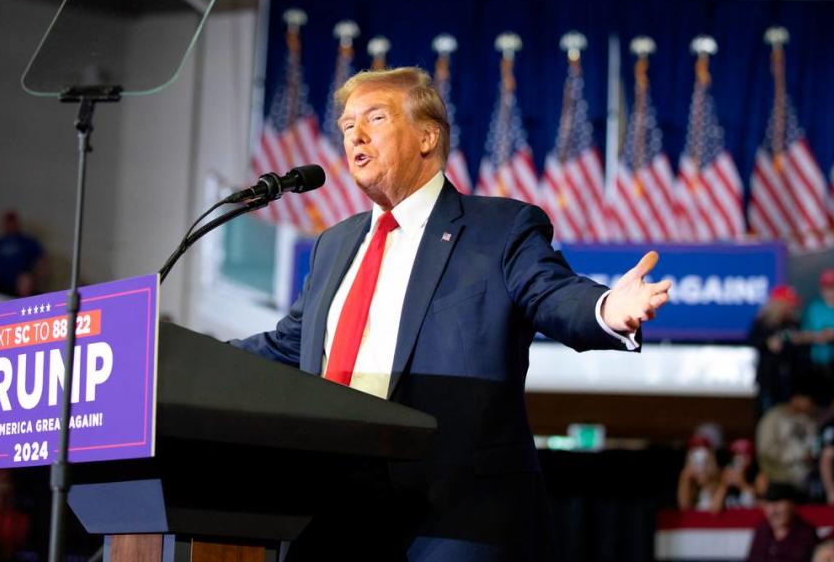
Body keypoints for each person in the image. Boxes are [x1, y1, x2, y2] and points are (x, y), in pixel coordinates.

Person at [231, 67, 671, 561]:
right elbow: (289, 345)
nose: (355, 133)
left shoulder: (499, 227)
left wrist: (607, 307)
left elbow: (551, 293)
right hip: (335, 506)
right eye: (347, 123)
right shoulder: (334, 244)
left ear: (427, 136)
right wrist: (173, 361)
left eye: (375, 117)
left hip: (454, 514)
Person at [750, 285, 815, 417]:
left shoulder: (794, 324)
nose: (792, 307)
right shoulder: (763, 323)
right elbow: (752, 340)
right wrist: (767, 342)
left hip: (790, 385)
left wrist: (800, 341)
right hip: (768, 381)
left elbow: (801, 355)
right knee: (767, 418)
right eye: (788, 304)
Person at [757, 378, 819, 499]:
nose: (811, 405)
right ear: (796, 398)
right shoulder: (773, 418)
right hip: (778, 482)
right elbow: (766, 449)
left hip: (805, 485)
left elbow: (815, 444)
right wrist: (799, 455)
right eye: (808, 400)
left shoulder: (810, 420)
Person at [745, 483, 818, 562]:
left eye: (778, 504)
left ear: (792, 505)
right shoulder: (762, 529)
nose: (773, 511)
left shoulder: (805, 533)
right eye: (769, 505)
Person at [0, 210, 46, 296]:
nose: (10, 225)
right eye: (8, 222)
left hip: (22, 288)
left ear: (18, 223)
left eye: (13, 222)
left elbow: (41, 262)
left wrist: (37, 282)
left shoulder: (28, 242)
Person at [804, 269, 834, 393]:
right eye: (827, 288)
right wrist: (818, 336)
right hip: (818, 361)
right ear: (821, 290)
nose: (830, 292)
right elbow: (803, 333)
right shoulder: (814, 308)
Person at [710, 438, 765, 511]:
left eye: (745, 454)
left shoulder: (759, 477)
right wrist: (724, 485)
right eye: (736, 454)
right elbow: (714, 509)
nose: (740, 458)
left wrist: (742, 484)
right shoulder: (727, 475)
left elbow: (764, 506)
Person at [677, 435, 721, 511]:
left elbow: (716, 509)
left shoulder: (720, 477)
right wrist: (685, 479)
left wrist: (706, 482)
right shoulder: (687, 478)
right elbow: (684, 507)